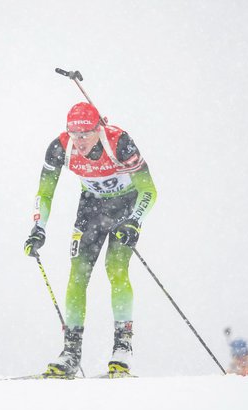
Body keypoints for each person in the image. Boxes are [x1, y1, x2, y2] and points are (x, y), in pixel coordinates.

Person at [24, 102, 157, 378]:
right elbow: (45, 192)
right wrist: (39, 227)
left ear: (99, 128)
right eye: (74, 133)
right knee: (77, 276)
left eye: (85, 133)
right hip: (92, 209)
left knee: (115, 269)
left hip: (125, 207)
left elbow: (149, 189)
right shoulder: (60, 147)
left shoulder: (120, 142)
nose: (79, 140)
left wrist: (136, 219)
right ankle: (71, 353)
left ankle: (122, 347)